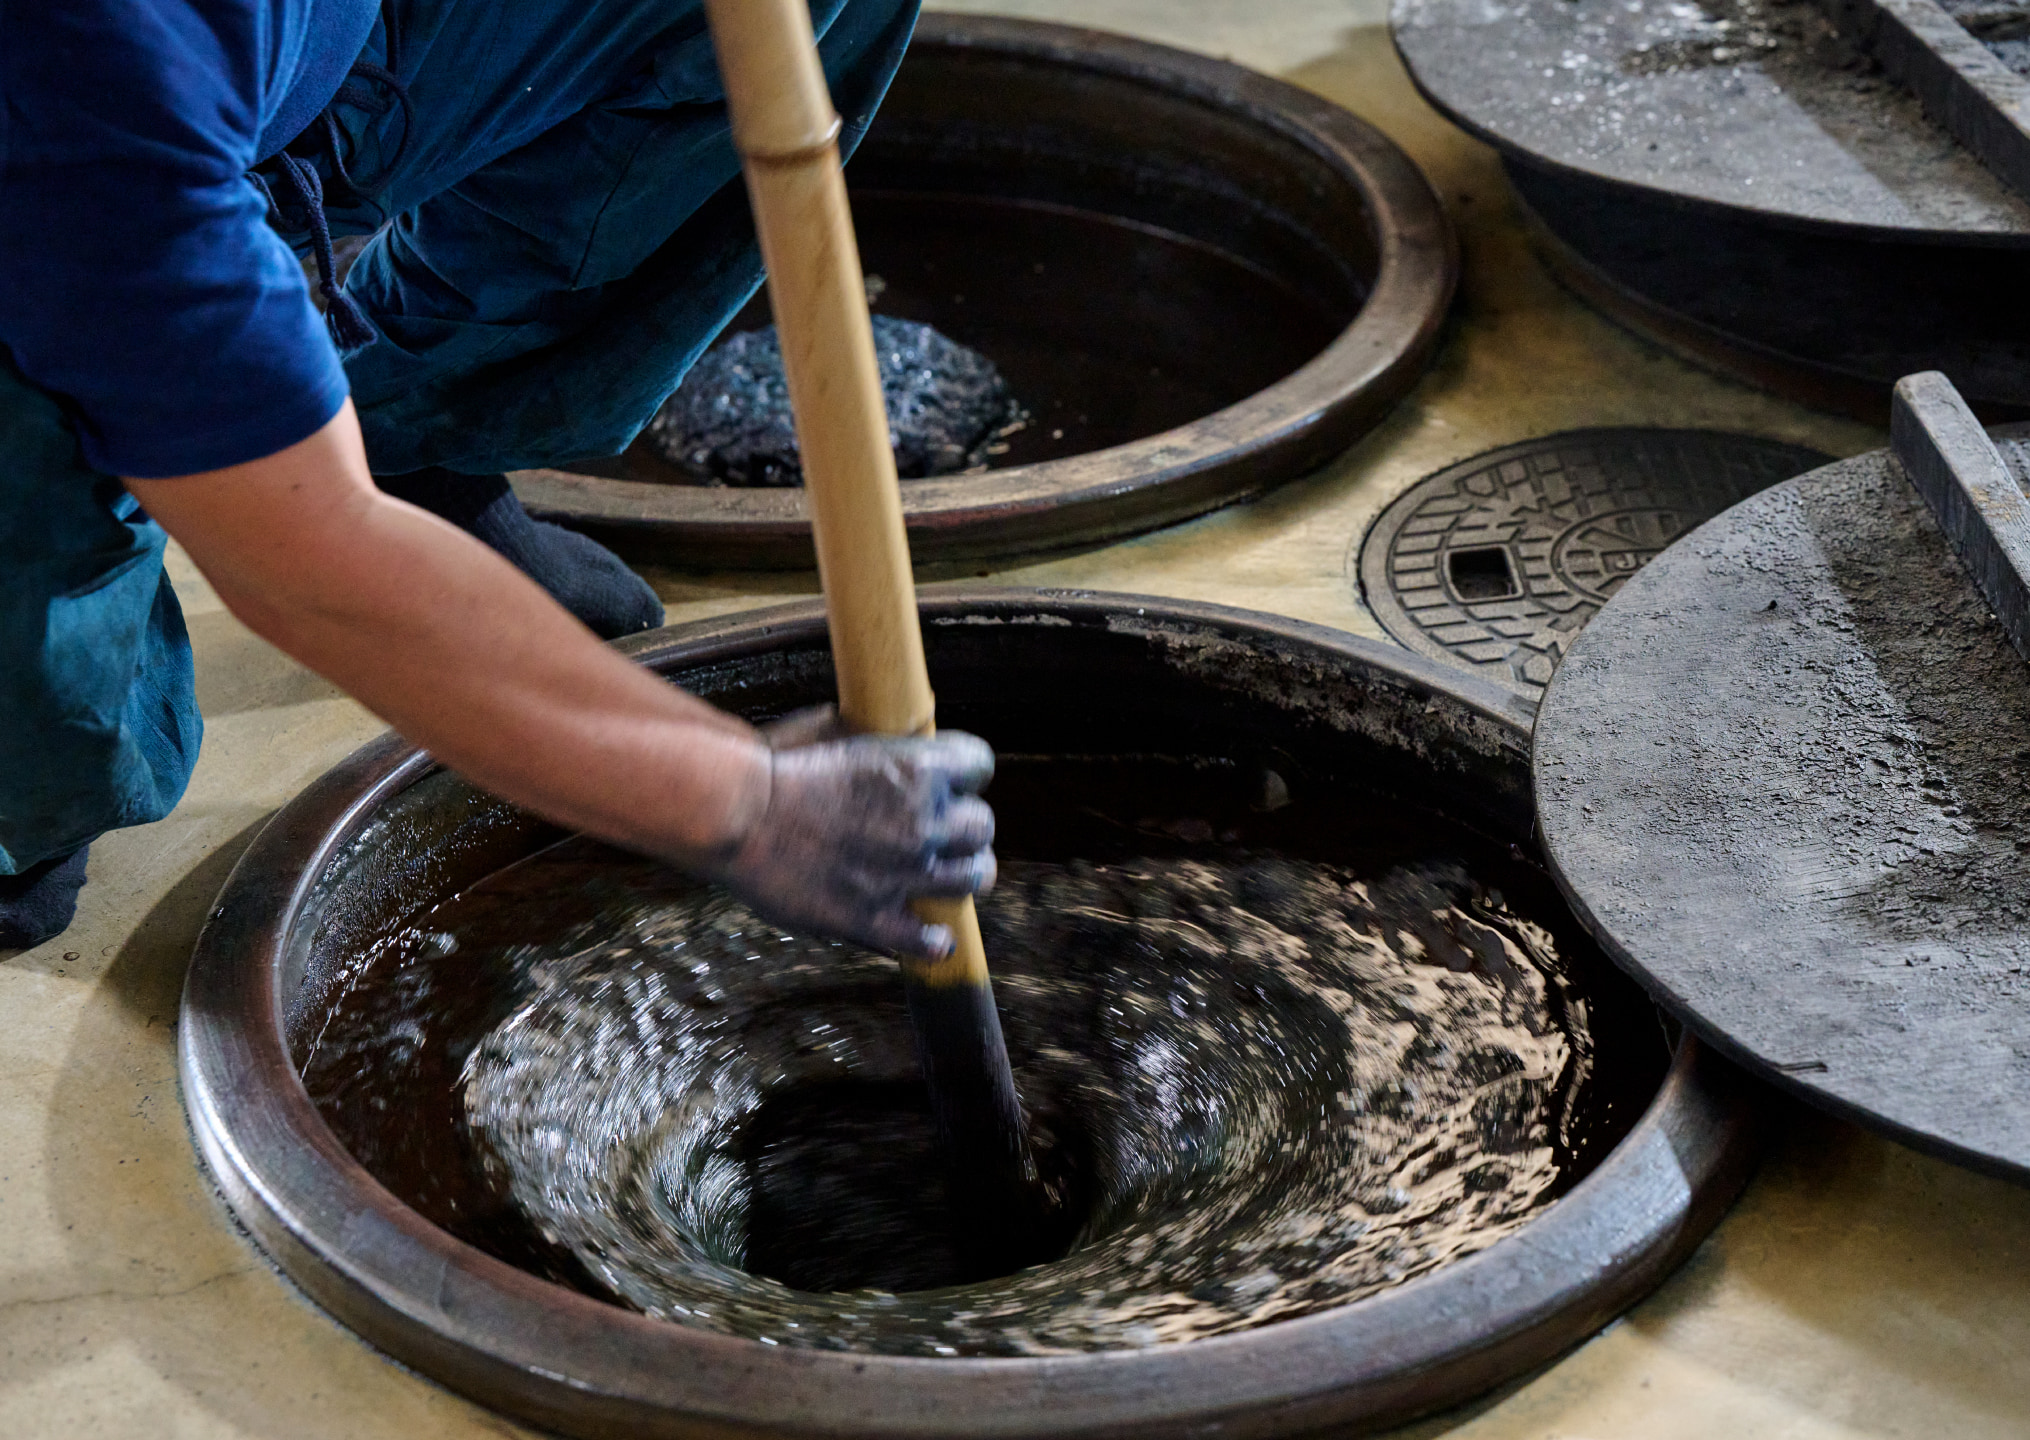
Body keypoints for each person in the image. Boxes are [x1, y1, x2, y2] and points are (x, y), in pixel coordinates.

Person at [0, 0, 997, 959]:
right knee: (34, 757)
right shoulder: (85, 82)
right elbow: (302, 565)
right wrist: (743, 804)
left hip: (262, 64)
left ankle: (415, 422)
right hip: (78, 140)